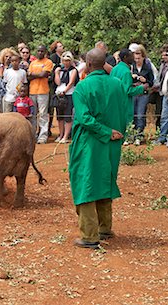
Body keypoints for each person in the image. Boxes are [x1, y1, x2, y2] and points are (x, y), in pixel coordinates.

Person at [69, 48, 128, 249]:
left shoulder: (82, 88)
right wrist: (117, 133)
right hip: (113, 144)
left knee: (85, 183)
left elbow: (84, 118)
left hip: (89, 144)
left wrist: (105, 131)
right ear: (104, 64)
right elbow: (125, 112)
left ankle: (89, 235)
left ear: (88, 65)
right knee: (105, 181)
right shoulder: (118, 85)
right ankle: (105, 228)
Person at [110, 49, 148, 133]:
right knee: (126, 123)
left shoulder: (114, 69)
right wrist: (142, 88)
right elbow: (128, 90)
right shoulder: (126, 72)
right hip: (124, 103)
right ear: (125, 57)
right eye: (131, 56)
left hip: (115, 101)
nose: (133, 58)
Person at [28, 45, 54, 144]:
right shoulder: (33, 63)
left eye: (42, 51)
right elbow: (28, 77)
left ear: (45, 52)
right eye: (38, 51)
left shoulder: (48, 62)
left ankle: (43, 136)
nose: (40, 53)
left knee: (43, 114)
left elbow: (44, 74)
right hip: (32, 91)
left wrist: (34, 75)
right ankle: (33, 135)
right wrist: (38, 75)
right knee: (33, 115)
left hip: (43, 91)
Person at [53, 51, 78, 143]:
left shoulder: (73, 70)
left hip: (69, 94)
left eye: (67, 60)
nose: (66, 62)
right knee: (60, 116)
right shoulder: (61, 70)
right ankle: (61, 134)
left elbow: (71, 82)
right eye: (64, 60)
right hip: (59, 94)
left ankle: (66, 136)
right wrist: (56, 73)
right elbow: (58, 82)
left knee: (68, 115)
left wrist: (65, 91)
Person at [131, 48, 154, 145]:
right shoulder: (131, 67)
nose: (137, 60)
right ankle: (131, 135)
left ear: (143, 57)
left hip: (143, 94)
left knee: (140, 115)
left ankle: (139, 136)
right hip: (133, 93)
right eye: (135, 58)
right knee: (132, 114)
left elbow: (151, 82)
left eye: (139, 58)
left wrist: (145, 81)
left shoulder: (148, 68)